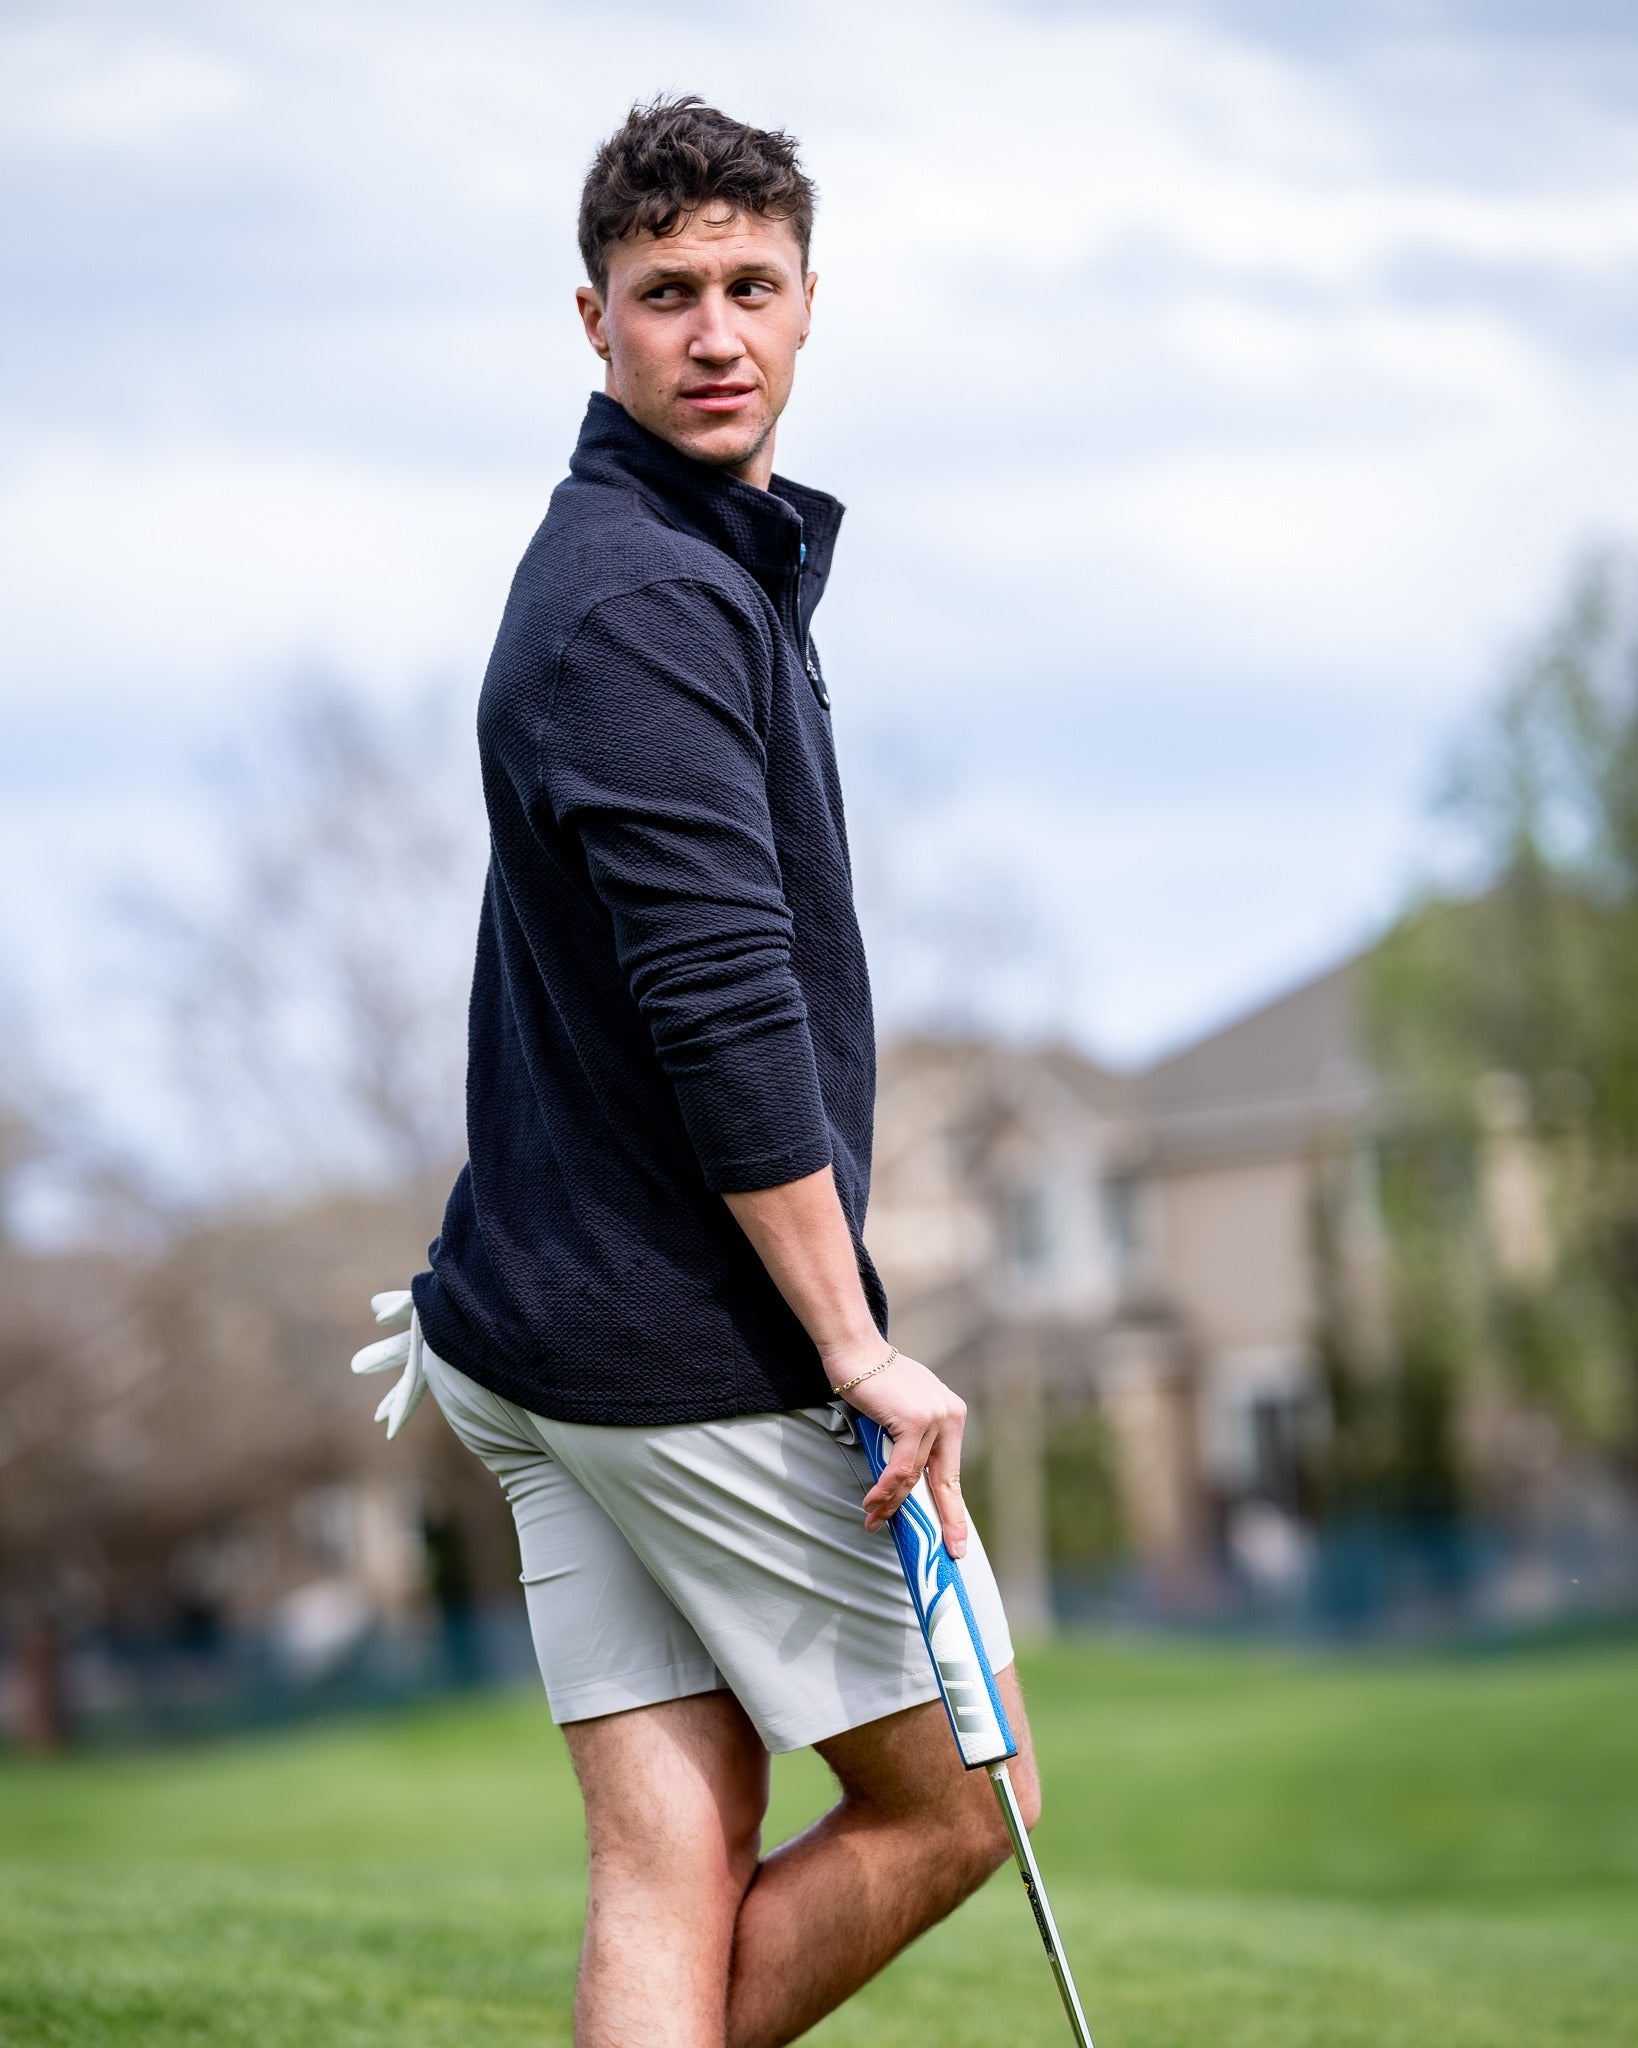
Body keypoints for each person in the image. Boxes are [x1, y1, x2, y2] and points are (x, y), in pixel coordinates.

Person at [359, 95, 1039, 2048]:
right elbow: (722, 1009)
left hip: (534, 1325)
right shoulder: (648, 601)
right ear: (596, 321)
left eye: (752, 284)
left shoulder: (668, 558)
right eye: (671, 294)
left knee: (674, 1851)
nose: (716, 328)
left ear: (812, 301)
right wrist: (851, 1343)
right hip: (673, 1345)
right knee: (965, 1795)